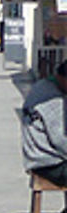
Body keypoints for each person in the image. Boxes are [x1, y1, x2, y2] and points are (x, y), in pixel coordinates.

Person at [21, 59, 67, 191]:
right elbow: (60, 141)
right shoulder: (54, 100)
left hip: (37, 158)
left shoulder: (42, 86)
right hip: (48, 163)